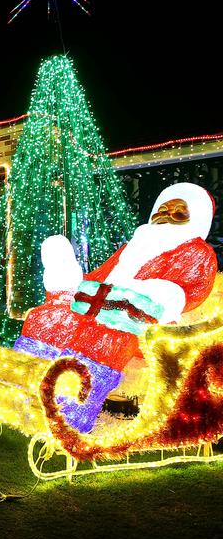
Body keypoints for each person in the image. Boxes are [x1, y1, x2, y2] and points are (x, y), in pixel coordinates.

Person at [14, 182, 217, 432]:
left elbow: (185, 291)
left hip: (147, 326)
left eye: (178, 211)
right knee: (46, 318)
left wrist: (133, 299)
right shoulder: (135, 244)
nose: (166, 215)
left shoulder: (197, 251)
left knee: (105, 336)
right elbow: (99, 277)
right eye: (162, 208)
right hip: (100, 308)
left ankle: (71, 411)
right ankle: (30, 387)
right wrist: (67, 279)